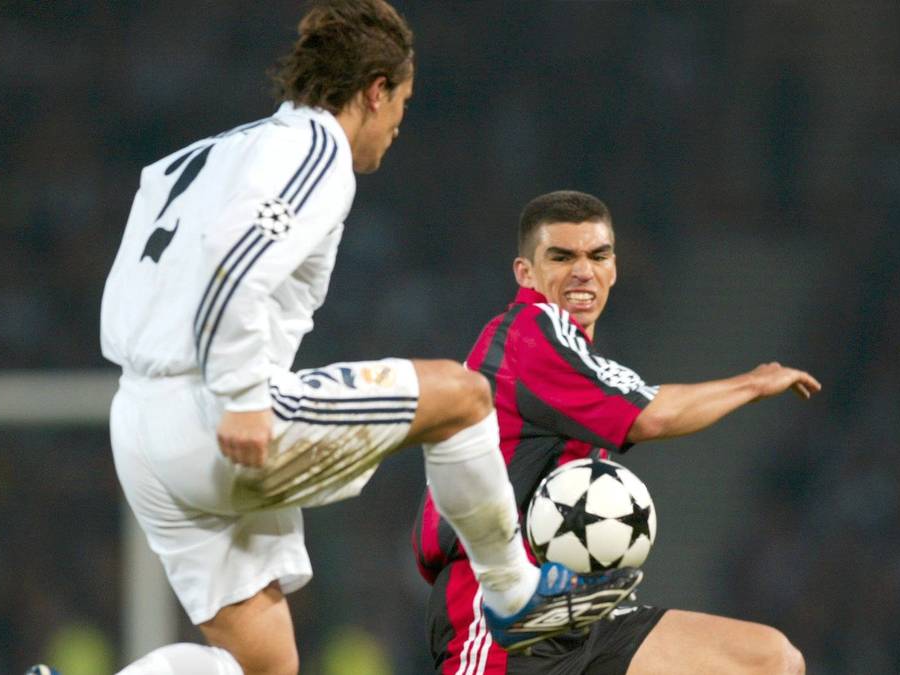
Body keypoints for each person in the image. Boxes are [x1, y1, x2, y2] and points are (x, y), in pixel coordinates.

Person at [99, 5, 639, 674]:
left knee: (263, 665)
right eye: (402, 102)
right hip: (213, 411)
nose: (399, 124)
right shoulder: (314, 150)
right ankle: (514, 592)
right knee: (464, 396)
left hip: (138, 422)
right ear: (375, 90)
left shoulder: (208, 154)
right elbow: (231, 261)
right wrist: (239, 395)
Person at [413, 190, 819, 674]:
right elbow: (652, 416)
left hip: (581, 611)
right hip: (504, 614)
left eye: (597, 256)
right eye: (561, 257)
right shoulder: (529, 332)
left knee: (770, 661)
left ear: (614, 269)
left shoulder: (565, 353)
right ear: (525, 273)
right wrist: (752, 384)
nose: (583, 271)